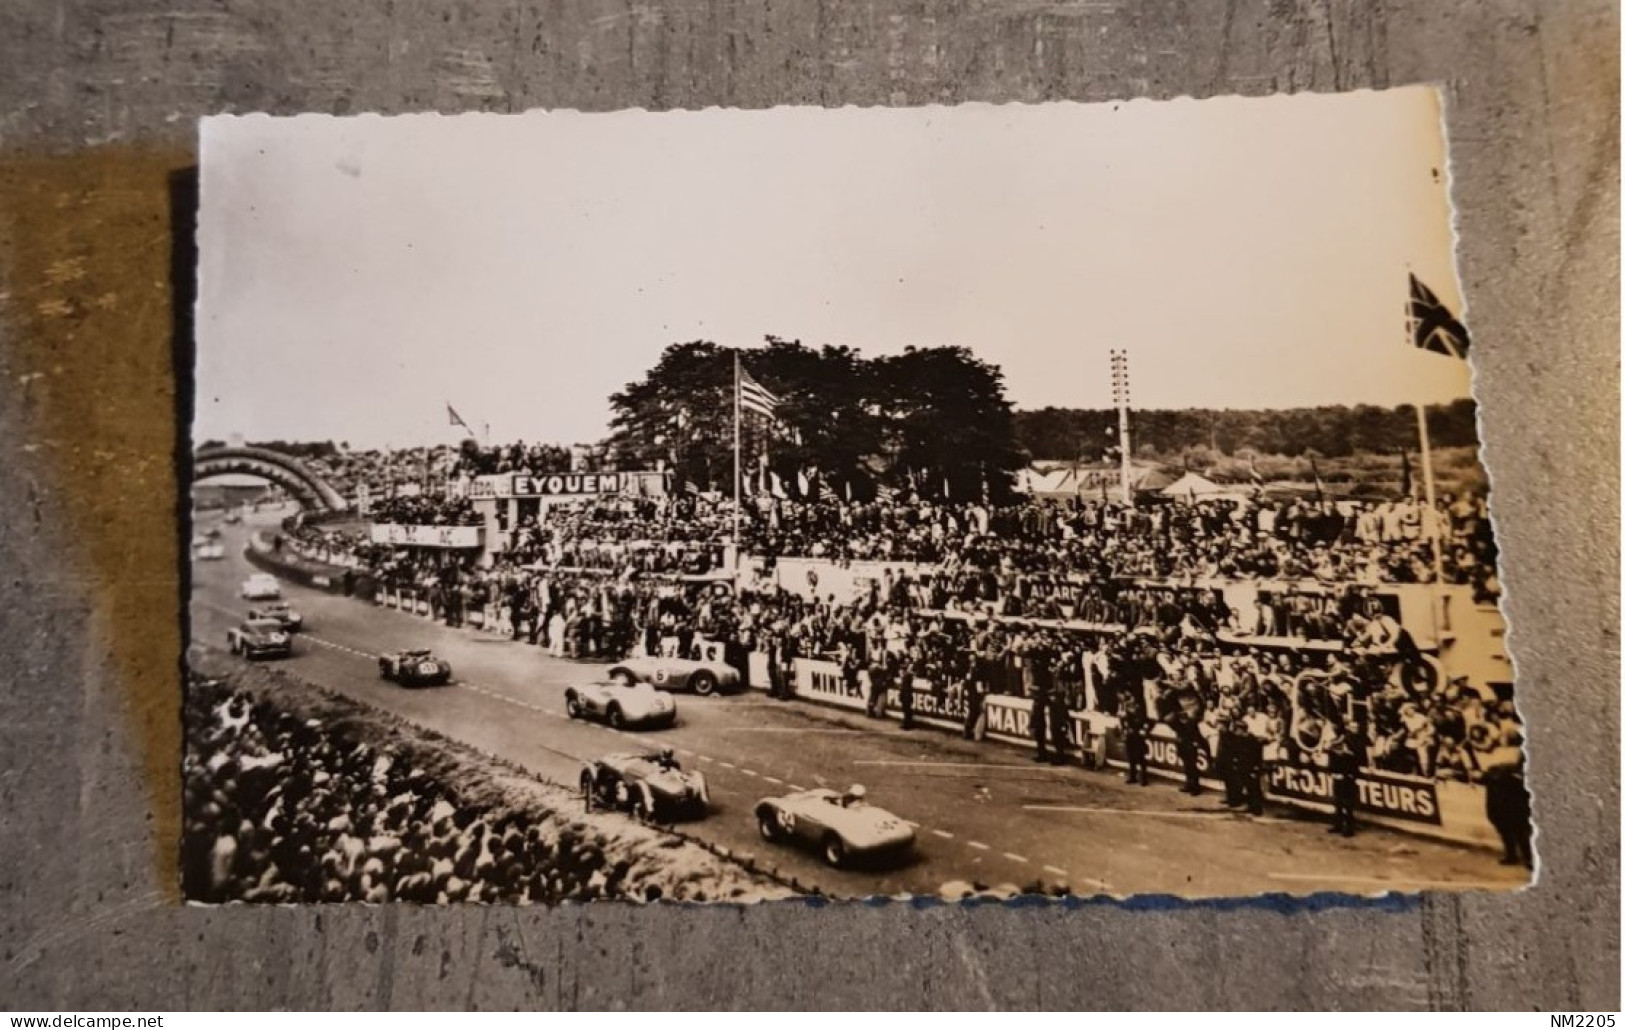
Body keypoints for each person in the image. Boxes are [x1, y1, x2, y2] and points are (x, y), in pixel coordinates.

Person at [1325, 722, 1361, 837]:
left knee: (1348, 804)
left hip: (1348, 776)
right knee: (1338, 802)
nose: (1354, 729)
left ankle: (1349, 828)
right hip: (1339, 775)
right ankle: (1339, 825)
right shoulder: (1341, 740)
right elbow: (1332, 753)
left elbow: (1356, 757)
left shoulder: (1356, 741)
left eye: (1356, 727)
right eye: (1352, 727)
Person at [1121, 695, 1150, 786]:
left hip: (1138, 737)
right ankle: (1133, 776)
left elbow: (1148, 722)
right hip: (1130, 736)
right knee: (1131, 757)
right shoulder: (1126, 714)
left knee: (1141, 758)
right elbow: (1123, 723)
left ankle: (1144, 778)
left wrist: (1144, 730)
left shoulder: (1140, 712)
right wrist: (1125, 730)